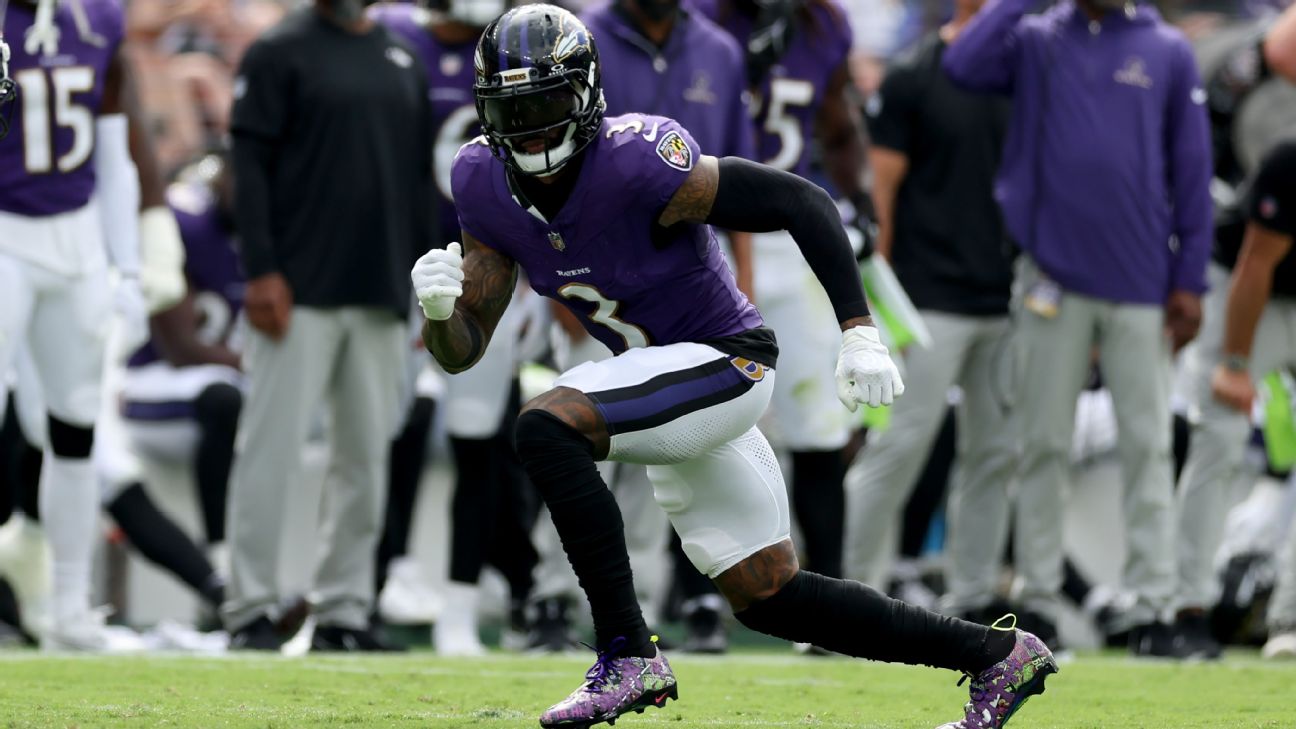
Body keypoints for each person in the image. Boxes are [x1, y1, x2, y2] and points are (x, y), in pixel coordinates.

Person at [414, 6, 1057, 728]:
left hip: (726, 362)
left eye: (546, 103)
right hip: (665, 378)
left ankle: (627, 654)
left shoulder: (636, 159)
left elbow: (801, 199)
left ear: (588, 95)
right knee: (770, 594)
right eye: (513, 110)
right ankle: (998, 657)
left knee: (545, 426)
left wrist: (858, 329)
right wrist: (440, 313)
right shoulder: (480, 181)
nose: (531, 128)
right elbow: (463, 352)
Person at [943, 0, 1213, 656]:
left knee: (1149, 446)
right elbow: (962, 63)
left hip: (1142, 279)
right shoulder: (1038, 37)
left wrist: (1191, 277)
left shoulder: (1167, 49)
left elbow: (1193, 166)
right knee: (1041, 443)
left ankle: (1154, 606)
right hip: (1050, 278)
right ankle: (1039, 602)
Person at [222, 0, 431, 651]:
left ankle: (344, 610)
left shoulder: (401, 56)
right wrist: (260, 270)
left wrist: (424, 284)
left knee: (366, 457)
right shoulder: (278, 50)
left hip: (380, 288)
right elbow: (246, 165)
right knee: (271, 451)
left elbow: (419, 180)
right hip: (297, 288)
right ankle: (249, 606)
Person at [0, 0, 184, 651]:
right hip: (4, 232)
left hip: (76, 239)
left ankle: (71, 607)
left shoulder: (98, 17)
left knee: (75, 428)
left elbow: (114, 151)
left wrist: (128, 268)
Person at [576, 0, 755, 653]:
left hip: (693, 286)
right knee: (589, 441)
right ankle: (562, 600)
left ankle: (687, 600)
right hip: (597, 285)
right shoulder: (584, 35)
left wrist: (745, 276)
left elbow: (739, 180)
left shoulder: (720, 50)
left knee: (690, 444)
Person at [848, 0, 1017, 629]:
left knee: (994, 454)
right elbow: (880, 193)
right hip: (924, 302)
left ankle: (973, 597)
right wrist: (878, 310)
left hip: (1004, 297)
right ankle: (851, 599)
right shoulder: (914, 73)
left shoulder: (1021, 73)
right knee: (897, 447)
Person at [697, 0, 867, 607]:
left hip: (794, 239)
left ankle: (835, 590)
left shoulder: (821, 25)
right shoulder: (698, 23)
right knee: (700, 420)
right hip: (706, 234)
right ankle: (700, 597)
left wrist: (859, 197)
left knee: (819, 423)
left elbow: (837, 124)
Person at [1207, 140, 1296, 660]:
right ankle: (1182, 608)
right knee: (1216, 437)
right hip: (1242, 287)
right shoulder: (1286, 164)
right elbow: (1255, 265)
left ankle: (1289, 616)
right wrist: (1235, 363)